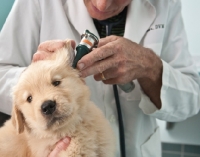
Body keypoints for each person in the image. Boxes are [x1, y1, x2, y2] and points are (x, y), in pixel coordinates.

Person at [0, 0, 200, 156]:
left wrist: (149, 67)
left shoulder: (166, 4)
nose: (102, 4)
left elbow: (191, 99)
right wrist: (36, 78)